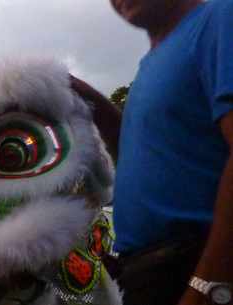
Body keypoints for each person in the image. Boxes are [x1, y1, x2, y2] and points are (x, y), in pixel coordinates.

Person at [95, 0, 233, 304]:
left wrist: (207, 286)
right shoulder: (150, 63)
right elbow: (145, 153)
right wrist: (83, 95)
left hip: (193, 266)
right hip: (144, 275)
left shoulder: (220, 18)